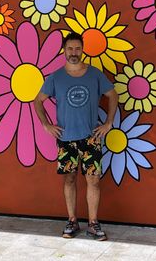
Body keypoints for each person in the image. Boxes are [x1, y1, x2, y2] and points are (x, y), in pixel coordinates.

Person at [33, 32, 117, 241]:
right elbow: (38, 101)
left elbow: (112, 95)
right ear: (64, 50)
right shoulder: (56, 77)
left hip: (90, 138)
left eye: (77, 48)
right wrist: (46, 124)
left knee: (93, 181)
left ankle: (93, 224)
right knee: (69, 180)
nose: (73, 52)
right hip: (66, 138)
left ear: (82, 49)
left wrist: (108, 123)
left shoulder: (95, 74)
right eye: (70, 48)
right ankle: (72, 221)